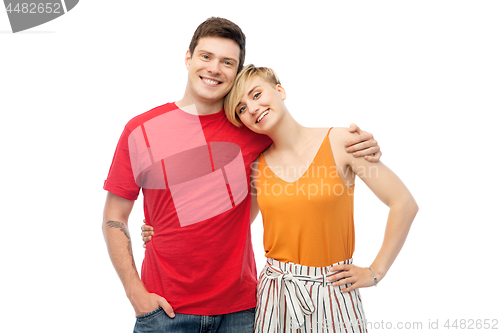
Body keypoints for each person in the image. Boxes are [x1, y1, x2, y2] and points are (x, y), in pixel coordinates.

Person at [103, 17, 382, 333]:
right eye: (206, 56)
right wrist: (135, 293)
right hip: (164, 311)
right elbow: (114, 215)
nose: (214, 68)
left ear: (236, 72)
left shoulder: (252, 128)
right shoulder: (140, 130)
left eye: (227, 62)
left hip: (243, 311)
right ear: (188, 58)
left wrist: (355, 140)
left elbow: (304, 146)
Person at [144, 64, 418, 332]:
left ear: (280, 90)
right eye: (241, 108)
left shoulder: (342, 142)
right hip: (275, 296)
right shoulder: (255, 167)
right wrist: (163, 231)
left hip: (334, 291)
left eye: (256, 94)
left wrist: (374, 272)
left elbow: (403, 203)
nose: (252, 108)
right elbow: (226, 223)